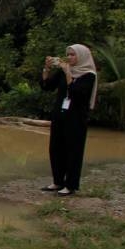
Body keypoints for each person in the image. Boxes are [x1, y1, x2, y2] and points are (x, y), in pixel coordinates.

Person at [40, 44, 98, 196]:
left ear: (82, 56)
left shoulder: (89, 75)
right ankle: (57, 181)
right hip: (60, 115)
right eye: (68, 54)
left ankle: (70, 185)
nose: (70, 57)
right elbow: (46, 87)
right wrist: (46, 69)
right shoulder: (63, 71)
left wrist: (68, 73)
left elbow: (76, 93)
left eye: (73, 55)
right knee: (56, 148)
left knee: (73, 151)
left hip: (76, 118)